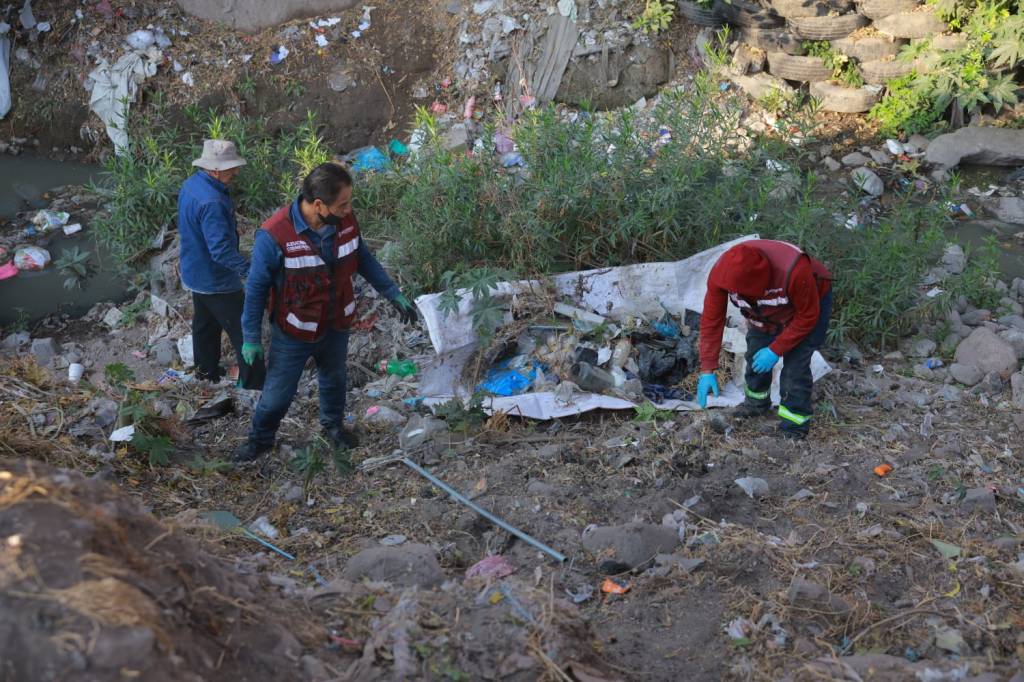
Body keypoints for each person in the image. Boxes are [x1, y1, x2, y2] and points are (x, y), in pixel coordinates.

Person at [232, 162, 417, 462]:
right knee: (278, 394)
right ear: (318, 205)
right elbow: (255, 290)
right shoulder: (274, 235)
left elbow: (362, 257)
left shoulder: (344, 220)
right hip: (295, 329)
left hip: (336, 323)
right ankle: (260, 440)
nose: (349, 209)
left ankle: (333, 427)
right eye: (342, 204)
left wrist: (392, 292)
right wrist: (250, 337)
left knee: (334, 379)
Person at [696, 239, 833, 439]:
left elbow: (807, 316)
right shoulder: (722, 273)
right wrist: (707, 369)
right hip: (765, 311)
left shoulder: (793, 271)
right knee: (755, 352)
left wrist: (775, 349)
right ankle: (756, 403)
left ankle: (794, 427)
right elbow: (712, 319)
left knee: (795, 368)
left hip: (809, 302)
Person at [178, 139, 261, 387]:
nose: (235, 172)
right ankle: (254, 384)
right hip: (216, 279)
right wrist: (249, 270)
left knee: (205, 325)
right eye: (230, 168)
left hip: (194, 271)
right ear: (215, 170)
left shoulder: (192, 184)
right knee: (244, 331)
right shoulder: (212, 202)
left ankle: (206, 374)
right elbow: (221, 251)